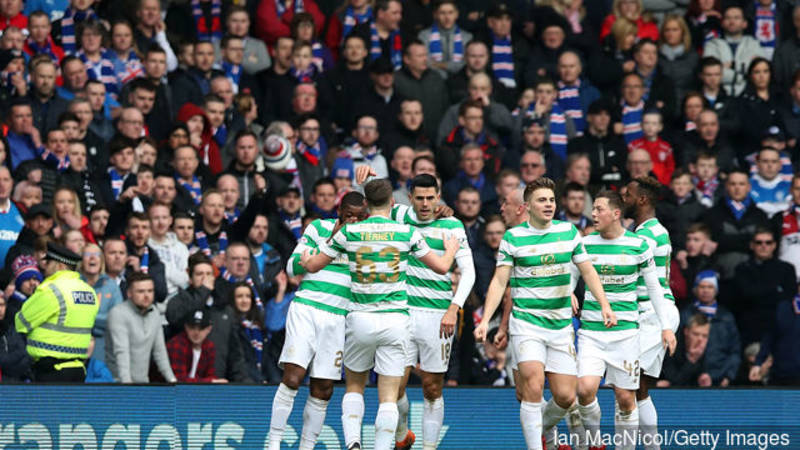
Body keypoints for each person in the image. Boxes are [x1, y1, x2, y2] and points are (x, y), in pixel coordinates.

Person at [299, 178, 459, 450]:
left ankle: (353, 442)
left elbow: (312, 265)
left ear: (365, 204)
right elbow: (443, 267)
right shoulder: (406, 233)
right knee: (388, 396)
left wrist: (306, 259)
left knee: (354, 387)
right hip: (395, 320)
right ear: (393, 203)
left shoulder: (349, 232)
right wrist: (451, 250)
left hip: (360, 318)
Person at [473, 177, 616, 450]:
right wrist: (487, 321)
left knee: (565, 396)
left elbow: (588, 271)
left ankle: (543, 428)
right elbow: (500, 282)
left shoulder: (568, 232)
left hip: (560, 326)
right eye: (541, 200)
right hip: (527, 324)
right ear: (527, 206)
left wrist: (604, 304)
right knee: (533, 386)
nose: (548, 204)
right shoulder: (513, 237)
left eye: (551, 199)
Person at [575, 190, 676, 450]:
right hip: (591, 331)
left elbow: (654, 288)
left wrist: (666, 327)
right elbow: (571, 276)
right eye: (593, 209)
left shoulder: (638, 245)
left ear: (616, 214)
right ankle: (595, 442)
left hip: (626, 334)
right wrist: (569, 294)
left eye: (599, 209)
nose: (593, 214)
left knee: (626, 398)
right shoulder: (584, 244)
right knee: (585, 389)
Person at [267, 191, 367, 450]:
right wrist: (331, 243)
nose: (353, 222)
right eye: (349, 216)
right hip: (307, 309)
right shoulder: (318, 228)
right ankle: (273, 442)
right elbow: (292, 268)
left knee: (323, 388)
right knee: (293, 377)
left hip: (338, 317)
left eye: (359, 218)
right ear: (339, 212)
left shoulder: (366, 244)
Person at [390, 174, 475, 450]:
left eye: (430, 198)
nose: (425, 204)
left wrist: (454, 308)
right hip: (402, 313)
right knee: (395, 387)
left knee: (432, 387)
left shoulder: (452, 225)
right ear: (410, 198)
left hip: (437, 315)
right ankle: (402, 433)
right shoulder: (399, 216)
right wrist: (367, 178)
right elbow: (373, 202)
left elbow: (469, 272)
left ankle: (428, 447)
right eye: (419, 198)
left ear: (438, 197)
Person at [622, 176, 681, 445]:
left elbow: (626, 270)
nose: (624, 199)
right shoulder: (648, 231)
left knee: (626, 383)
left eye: (628, 195)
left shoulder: (647, 235)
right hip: (650, 313)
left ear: (642, 199)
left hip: (654, 314)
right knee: (638, 387)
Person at [14, 242, 99, 382]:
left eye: (49, 263)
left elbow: (21, 323)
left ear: (60, 266)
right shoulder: (90, 292)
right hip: (79, 369)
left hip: (51, 371)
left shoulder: (51, 290)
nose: (44, 266)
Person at [106, 271, 176, 383]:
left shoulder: (155, 313)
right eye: (141, 291)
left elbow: (160, 352)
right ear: (129, 293)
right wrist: (126, 386)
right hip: (116, 384)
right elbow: (121, 352)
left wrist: (173, 381)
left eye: (150, 291)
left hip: (143, 383)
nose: (146, 296)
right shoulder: (118, 313)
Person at [680, 270, 741, 386]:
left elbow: (734, 350)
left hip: (719, 380)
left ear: (716, 290)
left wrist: (728, 376)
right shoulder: (686, 314)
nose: (706, 290)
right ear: (695, 289)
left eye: (710, 287)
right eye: (702, 286)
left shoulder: (726, 317)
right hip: (689, 379)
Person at [703, 5, 764, 96]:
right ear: (722, 23)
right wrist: (743, 75)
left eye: (736, 18)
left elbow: (761, 71)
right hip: (719, 96)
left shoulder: (754, 44)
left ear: (744, 23)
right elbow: (710, 74)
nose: (732, 22)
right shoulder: (712, 45)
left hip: (748, 95)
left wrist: (731, 66)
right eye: (728, 18)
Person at [80, 243, 122, 365]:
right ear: (81, 260)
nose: (92, 257)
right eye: (88, 254)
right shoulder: (74, 283)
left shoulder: (111, 286)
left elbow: (117, 319)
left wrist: (88, 320)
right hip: (77, 340)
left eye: (97, 254)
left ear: (102, 260)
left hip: (104, 343)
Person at [167, 308, 223, 383]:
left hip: (197, 389)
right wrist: (210, 382)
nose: (196, 332)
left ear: (209, 329)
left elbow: (210, 375)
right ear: (186, 327)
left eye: (201, 328)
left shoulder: (209, 347)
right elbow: (179, 380)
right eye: (192, 327)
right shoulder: (177, 344)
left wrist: (211, 382)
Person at [659, 313, 711, 387]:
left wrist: (705, 376)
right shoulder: (672, 345)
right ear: (686, 331)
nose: (700, 339)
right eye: (696, 334)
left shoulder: (709, 345)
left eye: (704, 336)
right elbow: (673, 382)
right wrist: (692, 360)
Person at [0, 166, 24, 268]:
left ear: (12, 183)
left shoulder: (22, 212)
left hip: (14, 275)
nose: (2, 184)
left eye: (6, 180)